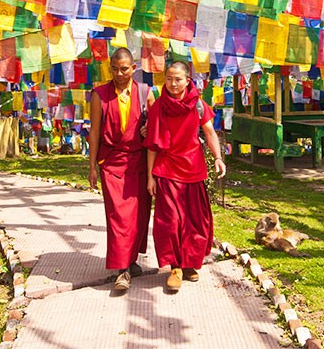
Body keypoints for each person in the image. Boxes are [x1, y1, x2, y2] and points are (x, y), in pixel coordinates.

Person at [144, 61, 226, 292]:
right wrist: (150, 177)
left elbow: (209, 132)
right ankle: (175, 267)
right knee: (169, 221)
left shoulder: (198, 104)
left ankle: (190, 264)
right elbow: (152, 144)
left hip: (193, 168)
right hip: (167, 169)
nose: (173, 84)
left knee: (194, 221)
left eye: (178, 79)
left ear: (187, 80)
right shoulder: (159, 105)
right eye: (169, 79)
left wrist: (218, 157)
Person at [89, 48, 153, 291]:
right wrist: (92, 166)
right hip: (112, 162)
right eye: (114, 69)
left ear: (133, 68)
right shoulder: (100, 95)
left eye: (124, 69)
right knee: (118, 216)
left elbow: (154, 124)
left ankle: (132, 259)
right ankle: (122, 269)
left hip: (139, 161)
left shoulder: (145, 92)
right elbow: (94, 132)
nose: (119, 73)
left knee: (138, 215)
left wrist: (148, 131)